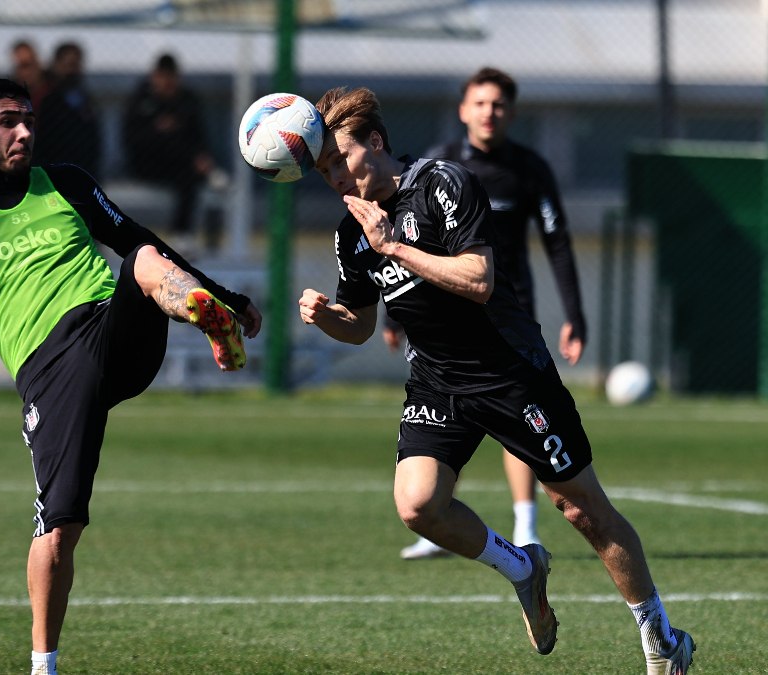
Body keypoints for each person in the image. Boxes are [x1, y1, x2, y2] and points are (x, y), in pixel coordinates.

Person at [297, 85, 694, 674]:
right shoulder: (350, 232)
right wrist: (330, 316)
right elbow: (360, 325)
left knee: (583, 509)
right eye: (324, 168)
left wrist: (394, 245)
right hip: (437, 384)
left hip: (511, 374)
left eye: (340, 159)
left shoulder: (441, 184)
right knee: (418, 506)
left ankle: (660, 635)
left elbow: (478, 278)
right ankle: (523, 568)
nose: (334, 176)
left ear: (375, 143)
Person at [0, 78, 261, 675]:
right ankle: (43, 665)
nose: (25, 132)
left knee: (138, 260)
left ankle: (209, 319)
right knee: (60, 527)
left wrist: (227, 298)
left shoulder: (66, 182)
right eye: (8, 121)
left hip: (113, 331)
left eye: (29, 119)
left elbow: (139, 238)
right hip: (51, 370)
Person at [396, 66, 588, 560]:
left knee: (514, 418)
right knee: (446, 411)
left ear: (512, 113)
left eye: (499, 104)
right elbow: (403, 243)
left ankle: (526, 526)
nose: (489, 112)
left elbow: (558, 242)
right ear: (463, 110)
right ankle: (438, 519)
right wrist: (397, 319)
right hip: (442, 322)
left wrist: (575, 314)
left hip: (508, 315)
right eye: (480, 103)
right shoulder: (436, 167)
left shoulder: (529, 168)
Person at [122, 53, 218, 247]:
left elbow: (199, 136)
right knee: (173, 147)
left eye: (170, 77)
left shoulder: (187, 101)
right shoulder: (141, 100)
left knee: (191, 176)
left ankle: (183, 234)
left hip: (180, 167)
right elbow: (130, 139)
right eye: (162, 77)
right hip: (146, 164)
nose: (166, 83)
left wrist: (202, 157)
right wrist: (157, 130)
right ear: (154, 77)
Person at [36, 41, 102, 177]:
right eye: (69, 65)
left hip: (82, 168)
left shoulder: (81, 96)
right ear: (57, 64)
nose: (73, 71)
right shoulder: (45, 95)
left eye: (76, 65)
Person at [10, 39, 50, 112]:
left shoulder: (52, 91)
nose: (25, 72)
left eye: (27, 65)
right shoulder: (10, 95)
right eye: (20, 66)